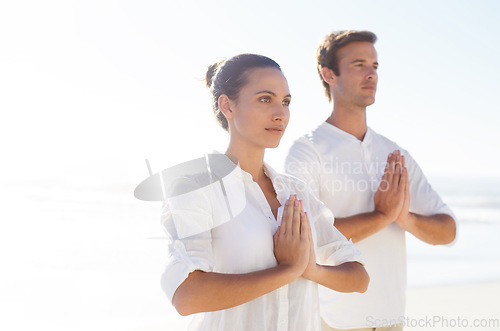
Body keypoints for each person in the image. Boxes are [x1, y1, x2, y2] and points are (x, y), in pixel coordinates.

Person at [160, 53, 369, 331]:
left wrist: (310, 270)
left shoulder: (297, 192)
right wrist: (287, 271)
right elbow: (186, 296)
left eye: (286, 102)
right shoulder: (197, 188)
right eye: (265, 99)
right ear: (227, 105)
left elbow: (358, 277)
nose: (281, 114)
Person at [285, 31, 457, 331]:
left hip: (392, 320)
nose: (371, 74)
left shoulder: (394, 153)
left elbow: (448, 231)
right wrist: (381, 217)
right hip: (333, 321)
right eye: (359, 65)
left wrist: (406, 219)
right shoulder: (307, 150)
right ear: (329, 75)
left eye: (375, 66)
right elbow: (305, 238)